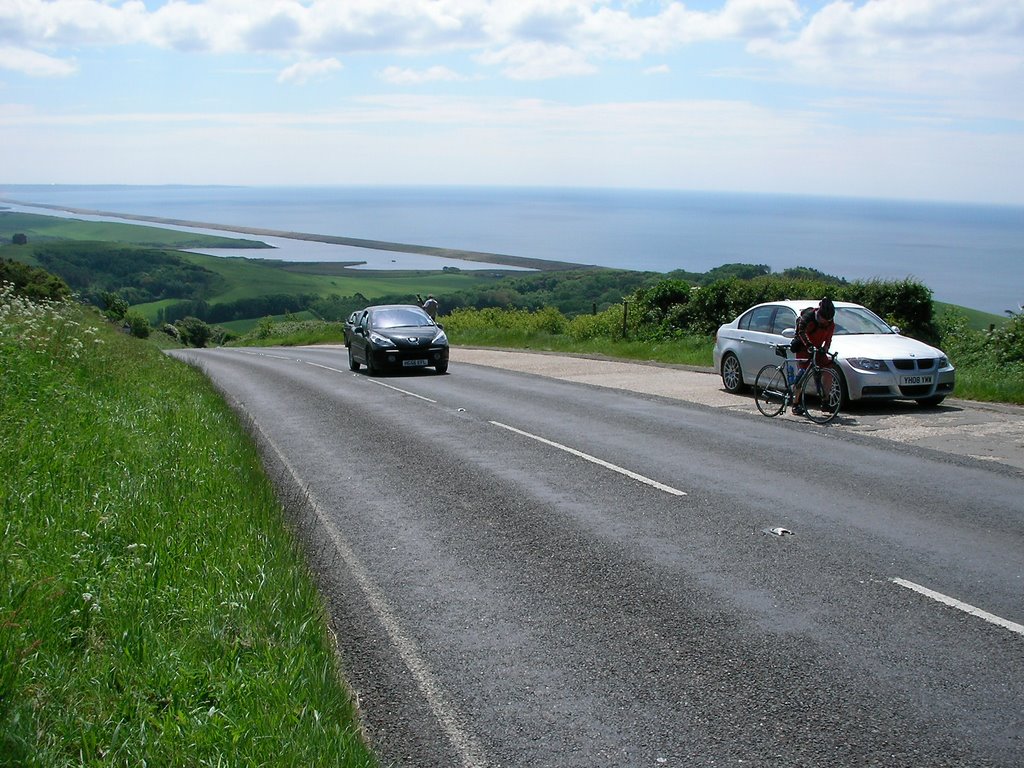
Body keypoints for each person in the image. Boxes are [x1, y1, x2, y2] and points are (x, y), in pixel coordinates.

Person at [790, 297, 836, 415]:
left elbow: (829, 339)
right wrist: (809, 345)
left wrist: (825, 349)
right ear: (819, 315)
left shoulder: (830, 323)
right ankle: (795, 404)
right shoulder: (808, 317)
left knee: (828, 370)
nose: (826, 322)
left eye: (829, 320)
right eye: (824, 320)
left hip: (818, 349)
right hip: (804, 348)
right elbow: (801, 332)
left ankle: (825, 401)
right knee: (802, 374)